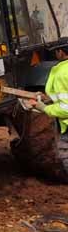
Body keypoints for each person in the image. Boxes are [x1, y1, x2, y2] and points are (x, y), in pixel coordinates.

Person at [27, 42, 68, 174]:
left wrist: (44, 108)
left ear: (61, 52)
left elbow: (66, 107)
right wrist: (48, 98)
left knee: (64, 155)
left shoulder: (62, 73)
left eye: (56, 51)